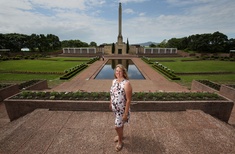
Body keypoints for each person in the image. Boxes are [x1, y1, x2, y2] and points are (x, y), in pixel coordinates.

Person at [109, 64, 132, 152]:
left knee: (116, 127)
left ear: (123, 72)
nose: (118, 72)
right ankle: (120, 135)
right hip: (115, 109)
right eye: (117, 71)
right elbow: (112, 93)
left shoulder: (126, 83)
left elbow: (129, 100)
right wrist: (111, 102)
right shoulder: (114, 81)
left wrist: (125, 113)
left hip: (122, 110)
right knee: (120, 125)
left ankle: (120, 141)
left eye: (120, 71)